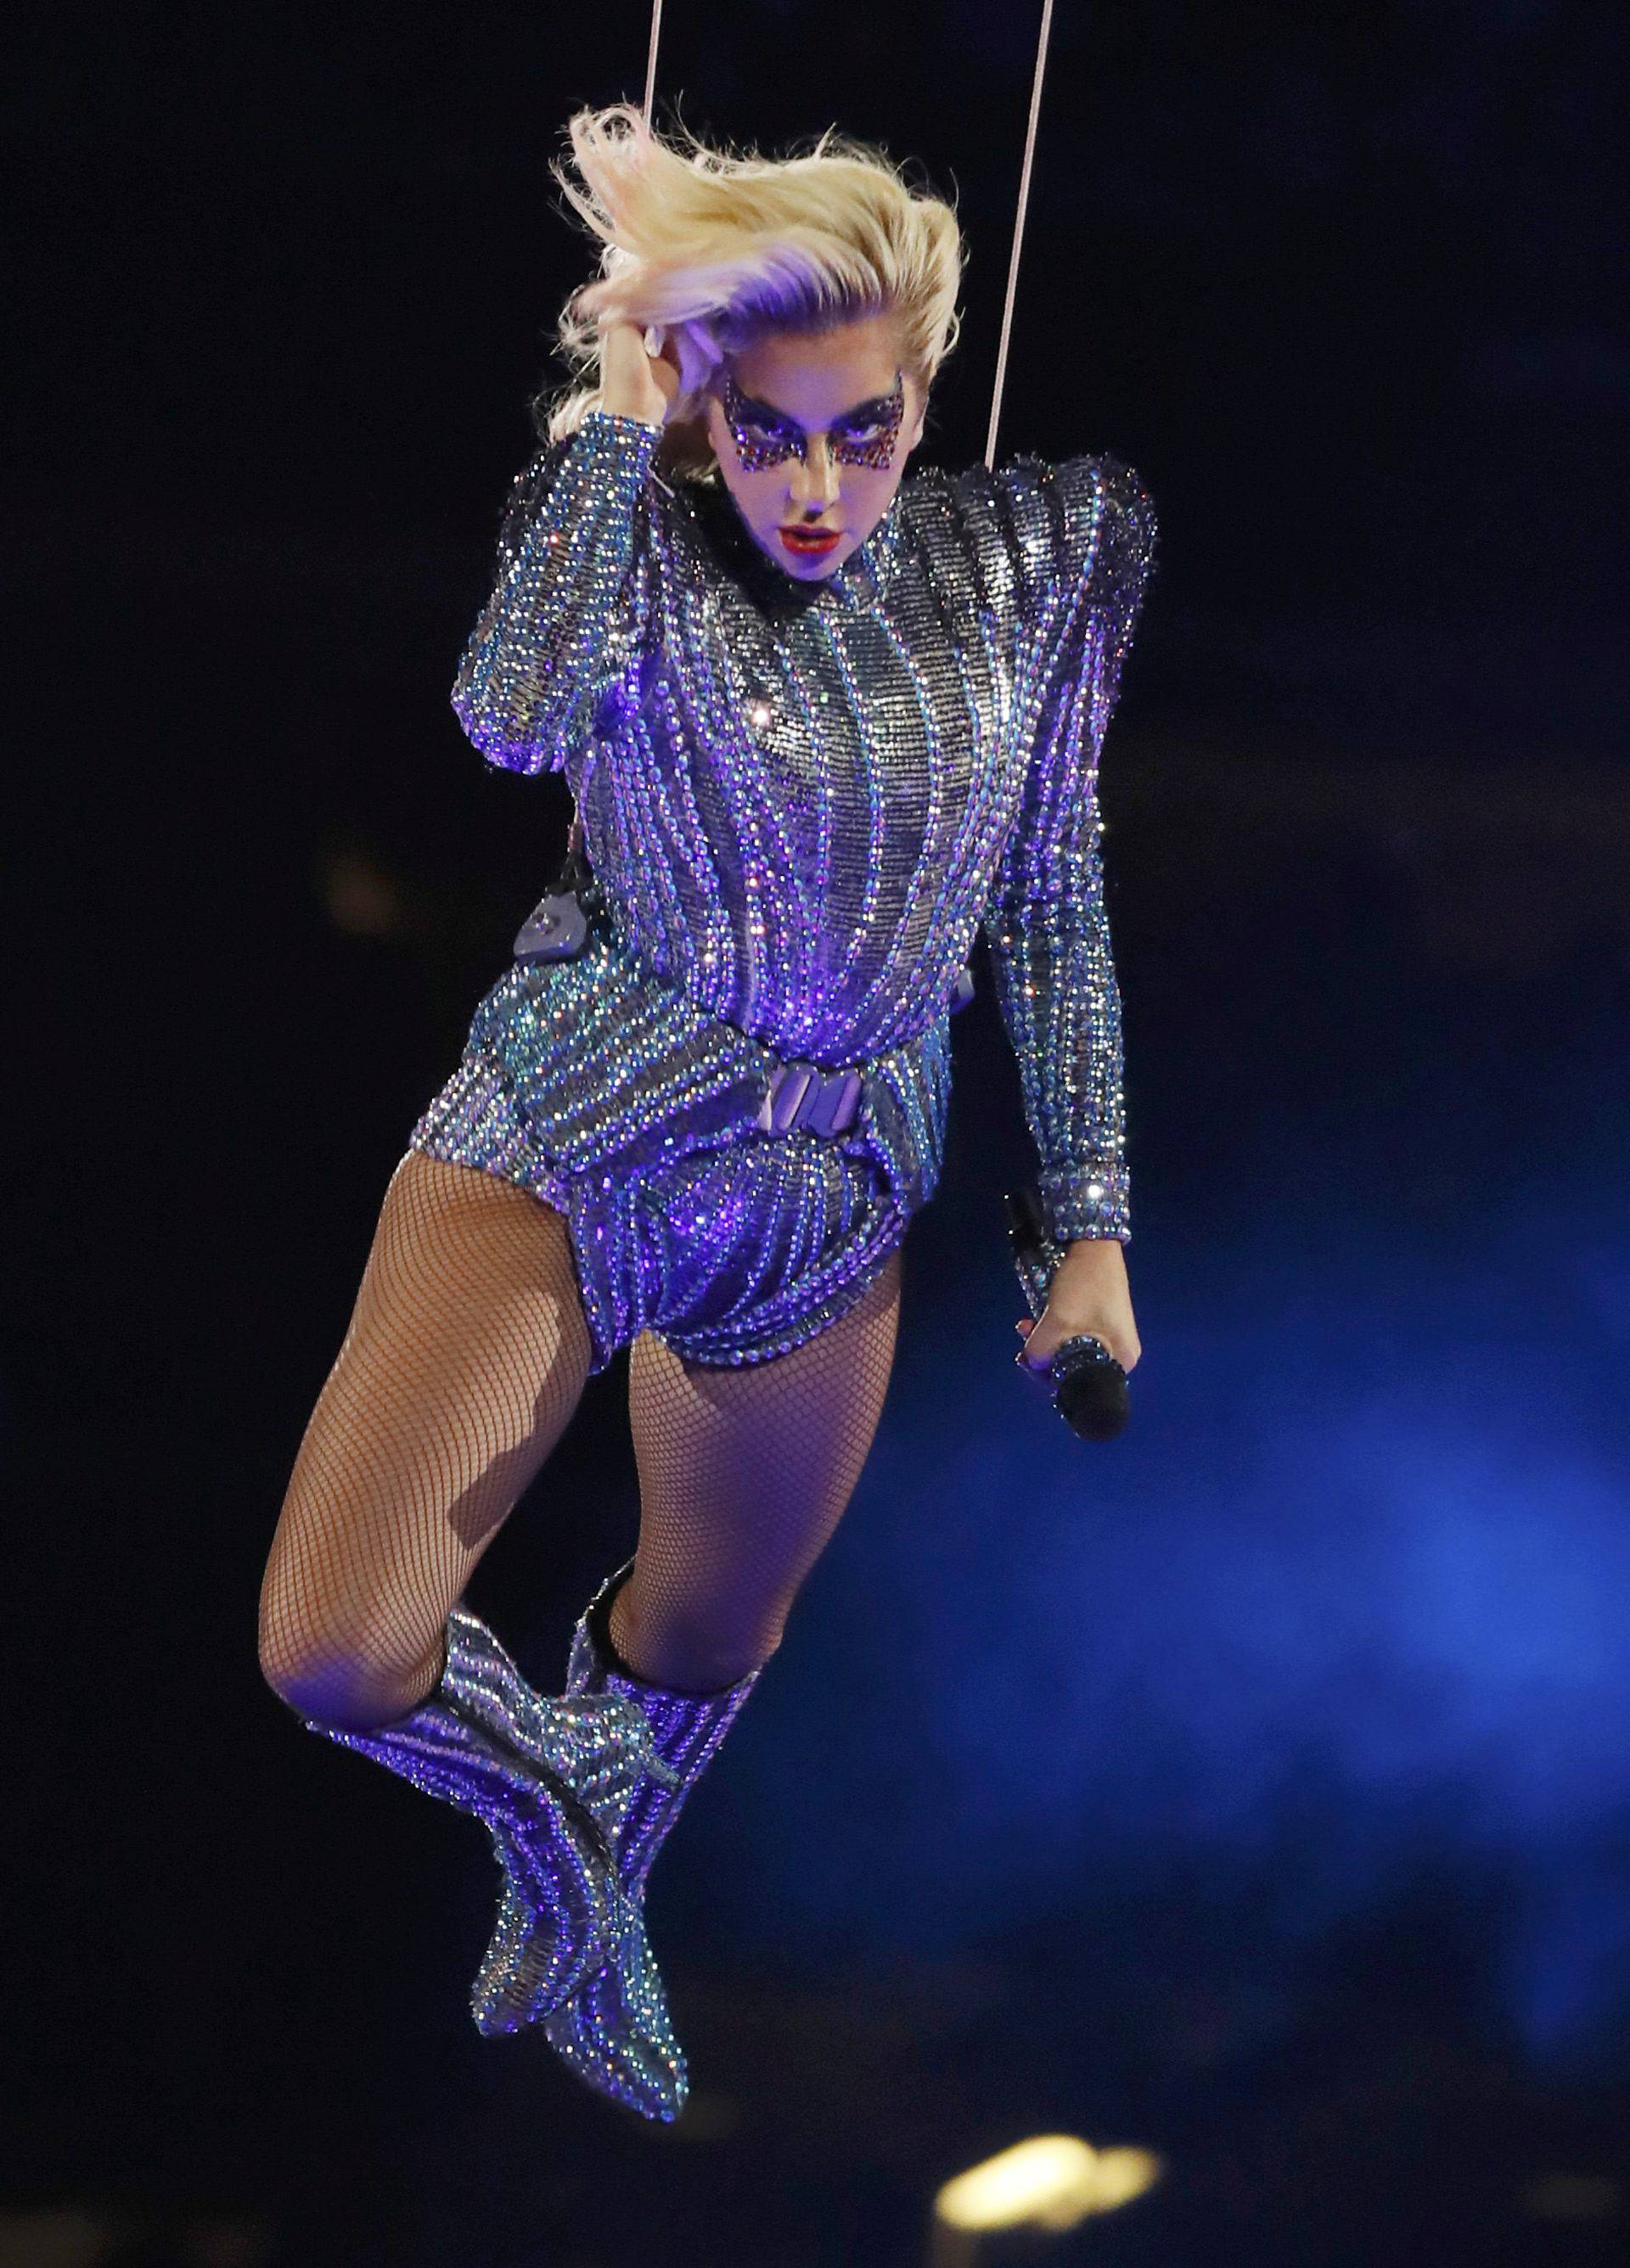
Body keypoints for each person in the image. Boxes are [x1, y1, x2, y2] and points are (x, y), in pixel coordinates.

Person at [258, 103, 1157, 2121]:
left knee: (705, 1629)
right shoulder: (620, 531)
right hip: (576, 1132)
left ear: (923, 389)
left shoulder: (1044, 550)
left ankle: (600, 1853)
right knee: (338, 1645)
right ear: (701, 403)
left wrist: (1087, 1218)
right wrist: (609, 413)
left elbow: (1052, 881)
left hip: (838, 1188)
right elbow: (506, 712)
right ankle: (558, 1813)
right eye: (767, 430)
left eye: (861, 425)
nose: (817, 480)